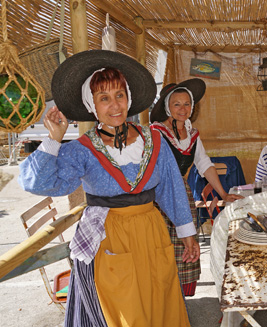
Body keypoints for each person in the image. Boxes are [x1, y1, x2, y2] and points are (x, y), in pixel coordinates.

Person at [18, 50, 197, 326]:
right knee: (126, 315)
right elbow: (37, 183)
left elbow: (171, 188)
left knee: (160, 307)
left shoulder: (155, 142)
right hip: (109, 238)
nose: (114, 105)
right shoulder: (82, 150)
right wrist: (54, 139)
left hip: (152, 233)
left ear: (129, 98)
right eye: (104, 98)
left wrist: (187, 234)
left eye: (119, 95)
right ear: (93, 106)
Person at [150, 78, 242, 296]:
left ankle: (178, 299)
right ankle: (161, 297)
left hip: (182, 194)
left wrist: (223, 194)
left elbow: (204, 164)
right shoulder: (156, 132)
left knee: (184, 247)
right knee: (161, 248)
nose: (183, 109)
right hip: (158, 197)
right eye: (177, 104)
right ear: (167, 108)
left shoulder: (192, 135)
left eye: (186, 104)